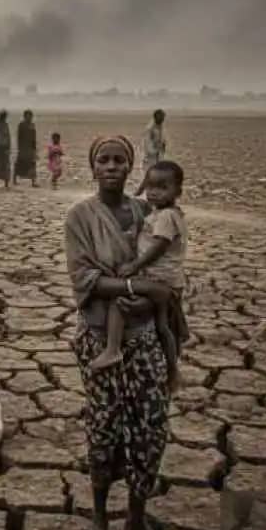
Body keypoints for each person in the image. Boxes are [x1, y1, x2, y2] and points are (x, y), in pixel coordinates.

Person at [65, 136, 176, 530]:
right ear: (92, 167)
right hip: (99, 339)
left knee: (149, 426)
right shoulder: (79, 217)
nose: (111, 166)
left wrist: (151, 303)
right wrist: (139, 290)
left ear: (131, 168)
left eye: (119, 160)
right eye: (103, 160)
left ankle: (135, 517)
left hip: (144, 339)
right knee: (104, 425)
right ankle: (98, 517)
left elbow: (167, 269)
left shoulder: (148, 211)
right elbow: (85, 280)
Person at [91, 160, 189, 389]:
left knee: (120, 297)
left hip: (158, 280)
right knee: (164, 326)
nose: (154, 192)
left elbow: (158, 247)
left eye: (162, 187)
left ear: (178, 191)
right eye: (150, 186)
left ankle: (112, 349)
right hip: (169, 280)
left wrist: (134, 265)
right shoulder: (168, 213)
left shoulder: (165, 217)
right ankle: (173, 370)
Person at [136, 109, 167, 196]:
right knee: (149, 178)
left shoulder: (160, 128)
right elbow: (148, 145)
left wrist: (162, 148)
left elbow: (163, 142)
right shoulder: (150, 129)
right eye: (161, 118)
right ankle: (138, 195)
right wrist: (156, 150)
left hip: (158, 157)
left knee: (156, 178)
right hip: (150, 158)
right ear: (156, 117)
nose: (163, 120)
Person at [14, 110, 38, 187]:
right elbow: (19, 136)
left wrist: (34, 149)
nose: (30, 117)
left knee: (32, 164)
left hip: (30, 148)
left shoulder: (32, 125)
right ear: (25, 116)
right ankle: (14, 179)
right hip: (23, 148)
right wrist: (19, 147)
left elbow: (34, 137)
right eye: (28, 116)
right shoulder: (21, 124)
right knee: (19, 164)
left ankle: (33, 182)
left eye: (31, 116)